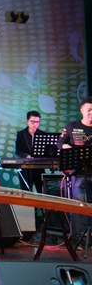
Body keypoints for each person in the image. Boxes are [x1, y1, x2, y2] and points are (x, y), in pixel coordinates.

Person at [57, 96, 92, 250]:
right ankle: (78, 239)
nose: (91, 113)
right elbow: (60, 143)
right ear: (82, 110)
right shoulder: (72, 126)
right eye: (89, 110)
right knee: (78, 206)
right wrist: (67, 148)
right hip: (78, 174)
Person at [14, 110, 47, 192]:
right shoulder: (20, 134)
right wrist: (27, 156)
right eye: (32, 122)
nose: (35, 124)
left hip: (39, 168)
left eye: (37, 122)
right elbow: (17, 151)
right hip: (25, 168)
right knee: (25, 192)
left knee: (42, 191)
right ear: (27, 121)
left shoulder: (43, 135)